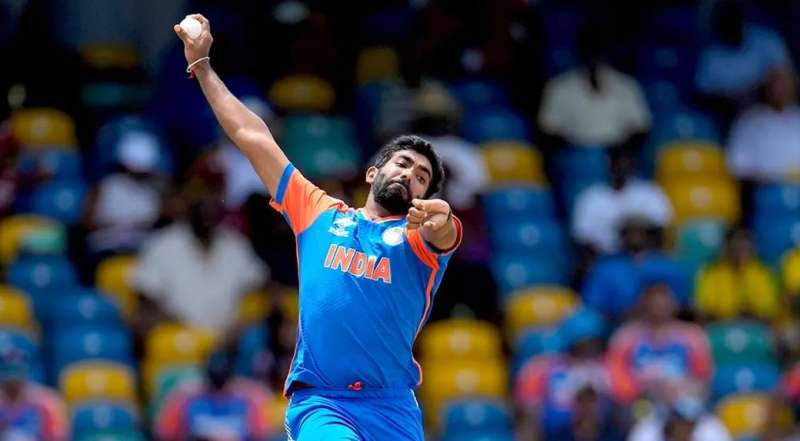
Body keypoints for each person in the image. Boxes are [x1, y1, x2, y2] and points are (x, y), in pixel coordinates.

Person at [174, 15, 462, 441]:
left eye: (422, 177)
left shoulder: (418, 239)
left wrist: (442, 219)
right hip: (324, 402)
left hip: (393, 405)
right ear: (373, 173)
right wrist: (202, 67)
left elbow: (445, 233)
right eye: (403, 163)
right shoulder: (319, 213)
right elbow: (254, 136)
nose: (410, 175)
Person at [133, 186, 268, 337]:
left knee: (255, 336)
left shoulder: (235, 244)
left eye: (211, 206)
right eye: (201, 206)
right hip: (179, 335)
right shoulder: (162, 244)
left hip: (230, 337)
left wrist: (242, 323)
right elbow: (146, 296)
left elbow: (260, 286)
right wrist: (171, 323)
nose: (206, 213)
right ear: (189, 208)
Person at [538, 23, 651, 150]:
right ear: (581, 50)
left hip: (616, 153)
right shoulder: (558, 86)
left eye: (599, 48)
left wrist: (623, 153)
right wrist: (575, 151)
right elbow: (548, 131)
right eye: (590, 48)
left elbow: (641, 129)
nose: (595, 55)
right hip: (574, 153)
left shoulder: (627, 85)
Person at [607, 283, 713, 404]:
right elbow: (616, 376)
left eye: (662, 303)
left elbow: (703, 377)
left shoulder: (693, 335)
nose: (657, 308)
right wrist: (639, 393)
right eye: (653, 303)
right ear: (642, 305)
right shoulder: (625, 336)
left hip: (683, 401)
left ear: (674, 304)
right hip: (638, 402)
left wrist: (681, 392)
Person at [155, 350, 274, 441]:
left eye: (222, 382)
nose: (218, 390)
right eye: (214, 382)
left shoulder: (249, 398)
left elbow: (262, 435)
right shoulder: (186, 398)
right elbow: (165, 433)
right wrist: (178, 396)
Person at [572, 148, 672, 255]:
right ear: (610, 165)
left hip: (645, 256)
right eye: (617, 164)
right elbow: (582, 237)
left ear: (632, 166)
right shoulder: (590, 197)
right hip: (605, 257)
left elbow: (662, 228)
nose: (621, 169)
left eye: (625, 165)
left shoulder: (650, 192)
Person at [727, 65, 800, 183]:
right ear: (766, 87)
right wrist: (773, 178)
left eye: (785, 84)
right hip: (762, 188)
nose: (781, 90)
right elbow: (737, 167)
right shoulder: (748, 121)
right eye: (776, 85)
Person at [694, 225, 780, 322]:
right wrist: (731, 316)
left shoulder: (764, 272)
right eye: (736, 246)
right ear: (727, 247)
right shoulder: (711, 272)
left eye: (744, 246)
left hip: (755, 325)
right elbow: (703, 311)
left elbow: (769, 311)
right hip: (720, 325)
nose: (740, 250)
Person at [0, 346, 70, 441]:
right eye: (7, 371)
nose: (12, 378)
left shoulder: (46, 402)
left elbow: (58, 437)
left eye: (16, 370)